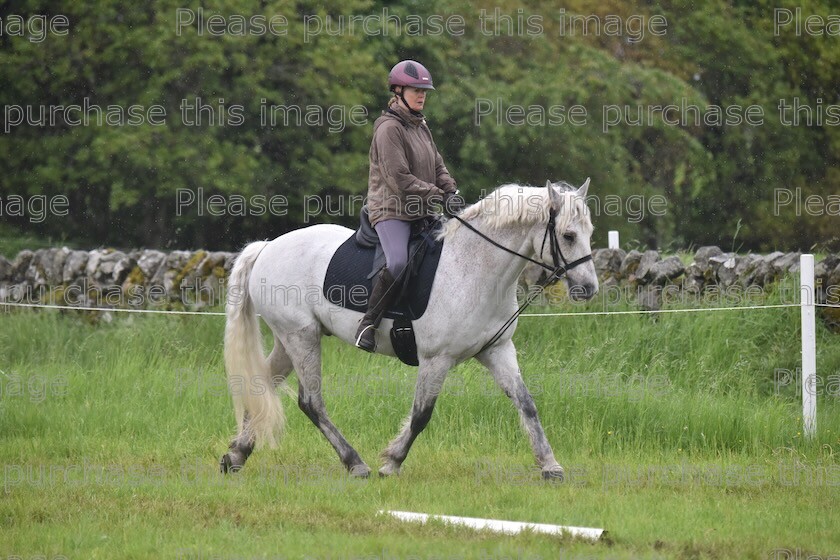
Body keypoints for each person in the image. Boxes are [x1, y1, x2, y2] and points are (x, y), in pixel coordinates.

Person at [355, 60, 465, 352]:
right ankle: (368, 323)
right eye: (416, 90)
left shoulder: (420, 125)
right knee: (399, 263)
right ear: (399, 90)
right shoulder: (389, 129)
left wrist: (450, 189)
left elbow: (437, 164)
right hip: (391, 211)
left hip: (423, 209)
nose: (421, 95)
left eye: (424, 91)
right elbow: (399, 178)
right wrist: (437, 194)